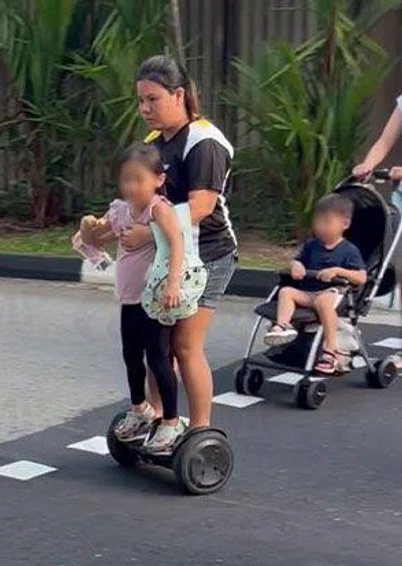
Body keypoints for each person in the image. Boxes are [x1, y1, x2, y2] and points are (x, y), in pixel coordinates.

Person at [122, 54, 238, 430]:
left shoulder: (204, 142)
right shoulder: (154, 143)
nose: (144, 109)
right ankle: (161, 420)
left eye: (152, 100)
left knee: (184, 345)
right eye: (140, 101)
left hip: (209, 255)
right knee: (156, 344)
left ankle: (200, 432)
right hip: (169, 255)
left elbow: (202, 207)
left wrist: (148, 233)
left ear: (179, 95)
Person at [79, 144, 207, 453]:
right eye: (126, 179)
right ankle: (140, 409)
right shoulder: (120, 210)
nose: (131, 187)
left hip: (156, 298)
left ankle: (171, 421)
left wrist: (173, 284)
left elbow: (177, 243)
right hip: (130, 298)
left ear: (158, 180)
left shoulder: (158, 209)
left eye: (138, 179)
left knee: (159, 359)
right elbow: (98, 239)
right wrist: (88, 227)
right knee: (131, 355)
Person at [263, 195, 367, 374]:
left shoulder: (349, 250)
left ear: (344, 224)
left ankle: (330, 349)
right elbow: (297, 260)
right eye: (317, 222)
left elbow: (361, 277)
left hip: (333, 294)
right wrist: (296, 266)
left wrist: (338, 271)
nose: (320, 227)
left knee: (322, 301)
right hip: (308, 293)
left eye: (327, 222)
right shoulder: (311, 245)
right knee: (286, 291)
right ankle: (283, 326)